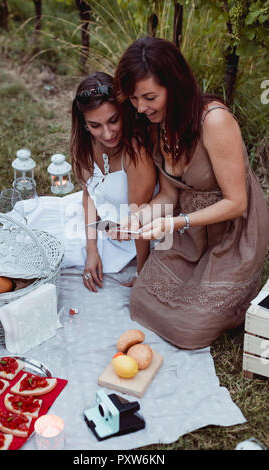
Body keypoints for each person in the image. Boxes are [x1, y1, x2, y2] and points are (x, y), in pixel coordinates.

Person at [112, 37, 269, 349]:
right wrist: (138, 218)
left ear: (174, 85)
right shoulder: (159, 124)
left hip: (232, 235)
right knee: (140, 301)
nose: (141, 108)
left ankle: (239, 297)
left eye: (149, 97)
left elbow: (237, 203)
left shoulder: (215, 120)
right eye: (134, 99)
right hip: (192, 234)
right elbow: (169, 195)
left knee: (189, 330)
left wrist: (175, 224)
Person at [27, 72, 157, 292]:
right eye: (95, 125)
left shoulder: (135, 154)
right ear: (85, 124)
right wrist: (91, 250)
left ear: (124, 112)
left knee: (50, 256)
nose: (107, 134)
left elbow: (140, 217)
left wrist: (141, 271)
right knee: (34, 235)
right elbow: (88, 195)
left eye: (113, 120)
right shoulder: (86, 144)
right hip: (99, 222)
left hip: (132, 236)